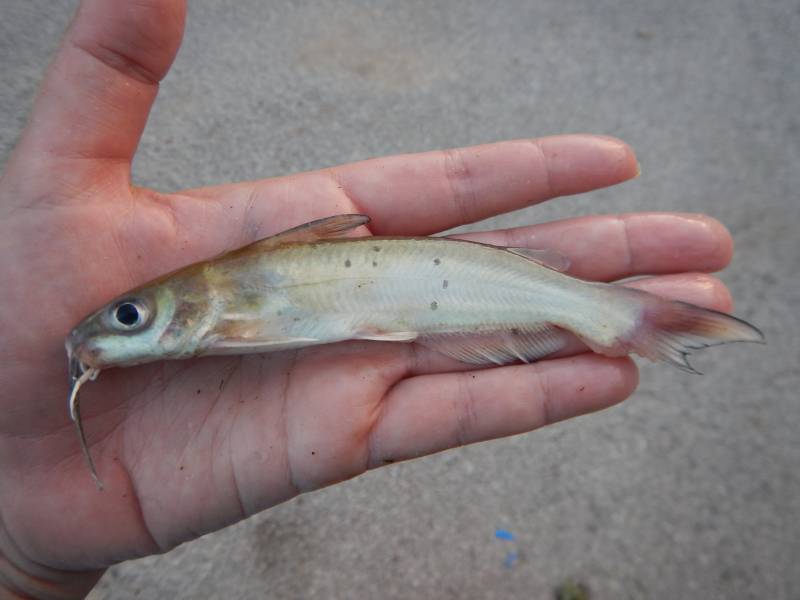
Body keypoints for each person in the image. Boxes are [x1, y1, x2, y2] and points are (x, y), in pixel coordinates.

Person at [0, 1, 736, 597]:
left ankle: (624, 318)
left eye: (133, 315)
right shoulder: (211, 307)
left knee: (584, 314)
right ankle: (629, 320)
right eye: (130, 316)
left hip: (437, 287)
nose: (125, 326)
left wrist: (24, 571)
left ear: (191, 303)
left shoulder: (225, 301)